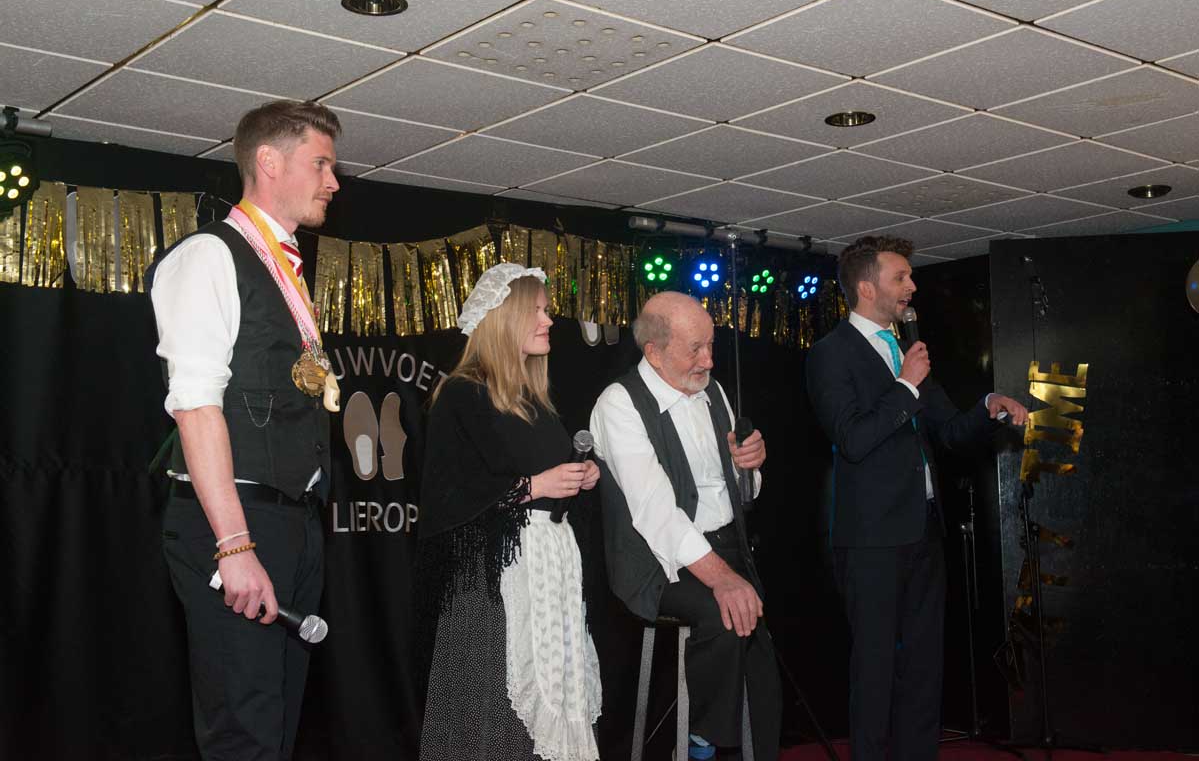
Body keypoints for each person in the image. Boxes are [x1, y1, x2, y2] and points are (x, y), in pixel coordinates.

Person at [148, 99, 342, 759]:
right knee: (245, 728)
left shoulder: (282, 263)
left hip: (291, 521)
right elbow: (196, 407)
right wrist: (234, 546)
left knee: (276, 725)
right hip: (235, 522)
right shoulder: (210, 255)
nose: (333, 182)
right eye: (321, 164)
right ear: (269, 161)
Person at [805, 235, 1028, 761]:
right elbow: (853, 439)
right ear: (866, 287)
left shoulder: (906, 352)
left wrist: (988, 406)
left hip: (924, 529)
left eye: (911, 276)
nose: (912, 286)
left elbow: (948, 431)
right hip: (872, 539)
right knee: (875, 665)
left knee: (925, 663)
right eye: (900, 277)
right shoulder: (831, 353)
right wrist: (905, 385)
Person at [417, 263, 603, 761]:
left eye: (546, 310)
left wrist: (582, 475)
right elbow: (449, 497)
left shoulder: (534, 399)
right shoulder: (463, 393)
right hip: (493, 583)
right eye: (536, 310)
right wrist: (536, 485)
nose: (548, 321)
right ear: (504, 318)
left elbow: (547, 478)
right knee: (493, 714)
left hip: (549, 573)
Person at [590, 291, 781, 761]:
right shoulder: (619, 404)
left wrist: (750, 466)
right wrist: (723, 579)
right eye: (696, 348)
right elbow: (656, 513)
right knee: (723, 616)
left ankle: (752, 746)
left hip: (726, 545)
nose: (709, 359)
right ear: (654, 352)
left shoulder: (712, 391)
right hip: (656, 564)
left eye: (710, 344)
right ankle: (701, 742)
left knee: (762, 672)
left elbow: (742, 492)